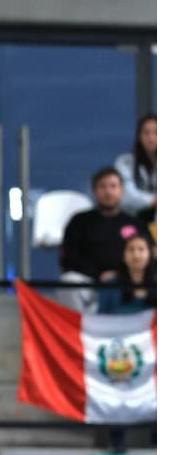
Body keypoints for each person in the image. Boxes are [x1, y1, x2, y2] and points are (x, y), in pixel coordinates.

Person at [59, 167, 147, 314]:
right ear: (94, 191)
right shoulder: (79, 221)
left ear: (122, 191)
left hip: (127, 282)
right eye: (102, 186)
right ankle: (75, 332)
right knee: (69, 282)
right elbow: (69, 257)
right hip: (90, 282)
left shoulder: (136, 223)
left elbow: (148, 256)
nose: (108, 191)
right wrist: (97, 275)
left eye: (113, 186)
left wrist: (120, 274)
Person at [97, 233, 156, 315]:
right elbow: (102, 316)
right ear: (123, 255)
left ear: (150, 253)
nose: (136, 255)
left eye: (141, 249)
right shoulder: (110, 283)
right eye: (131, 249)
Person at [115, 114, 155, 221]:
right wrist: (153, 201)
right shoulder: (125, 162)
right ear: (139, 136)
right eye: (146, 133)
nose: (151, 138)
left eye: (156, 133)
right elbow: (126, 196)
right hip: (133, 222)